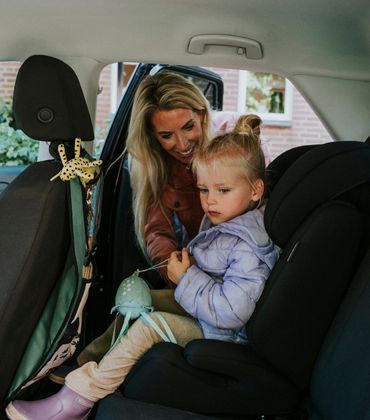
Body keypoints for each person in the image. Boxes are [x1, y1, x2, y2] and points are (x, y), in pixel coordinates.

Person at [6, 114, 280, 420]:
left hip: (221, 336)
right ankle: (88, 360)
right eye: (204, 190)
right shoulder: (229, 223)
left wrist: (187, 276)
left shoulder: (249, 247)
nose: (210, 201)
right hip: (206, 314)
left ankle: (76, 401)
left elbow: (231, 312)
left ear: (255, 190)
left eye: (222, 191)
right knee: (143, 298)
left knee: (149, 326)